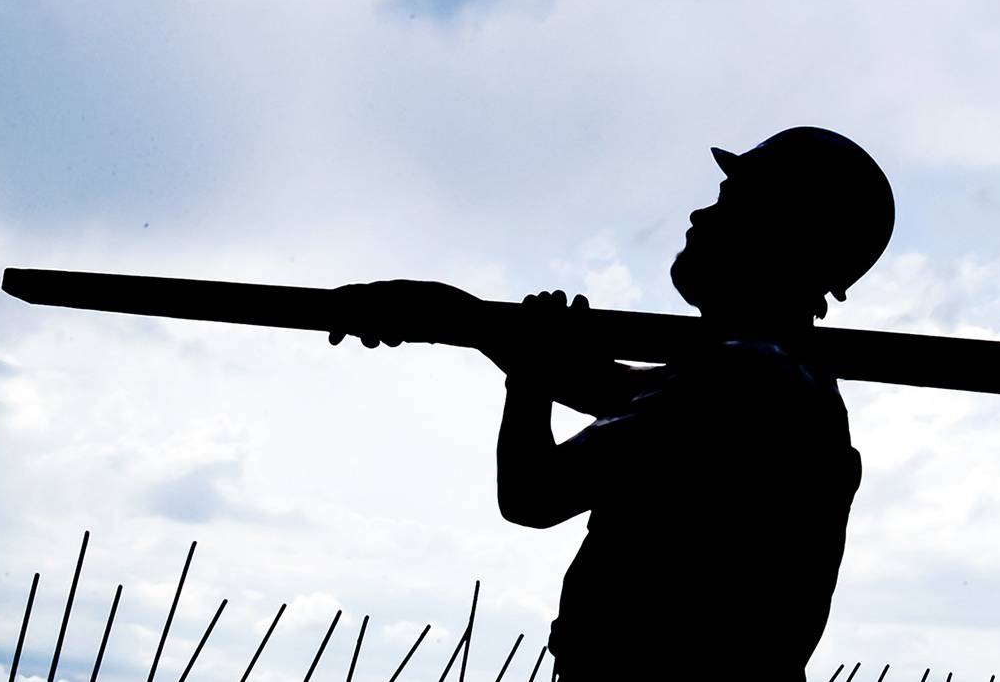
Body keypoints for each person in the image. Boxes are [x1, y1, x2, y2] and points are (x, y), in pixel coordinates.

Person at [332, 127, 895, 680]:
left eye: (729, 204)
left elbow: (532, 495)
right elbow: (592, 380)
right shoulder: (762, 378)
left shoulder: (742, 380)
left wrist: (529, 375)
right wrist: (435, 309)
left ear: (779, 237)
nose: (699, 216)